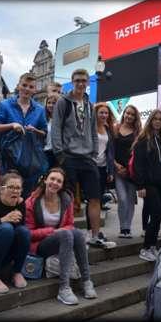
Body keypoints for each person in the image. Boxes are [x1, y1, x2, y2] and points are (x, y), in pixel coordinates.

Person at [51, 69, 115, 249]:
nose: (80, 83)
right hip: (68, 156)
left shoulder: (88, 103)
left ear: (88, 83)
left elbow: (93, 129)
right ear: (72, 81)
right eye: (77, 80)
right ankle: (68, 237)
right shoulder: (63, 102)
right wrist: (60, 154)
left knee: (95, 198)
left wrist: (94, 151)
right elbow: (56, 128)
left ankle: (94, 236)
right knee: (68, 198)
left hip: (88, 158)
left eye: (84, 80)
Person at [25, 167, 97, 305]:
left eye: (59, 181)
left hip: (62, 240)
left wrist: (61, 232)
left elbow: (70, 224)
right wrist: (51, 231)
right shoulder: (32, 201)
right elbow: (28, 233)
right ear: (45, 180)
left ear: (62, 185)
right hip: (39, 245)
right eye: (52, 179)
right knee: (66, 234)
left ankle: (87, 281)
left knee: (76, 233)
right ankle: (64, 288)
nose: (55, 183)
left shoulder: (65, 199)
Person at [0, 72, 48, 198]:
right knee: (8, 195)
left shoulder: (39, 109)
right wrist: (12, 125)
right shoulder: (5, 105)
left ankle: (24, 218)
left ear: (35, 89)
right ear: (18, 86)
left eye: (31, 86)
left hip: (30, 160)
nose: (27, 89)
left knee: (27, 196)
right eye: (24, 85)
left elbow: (44, 132)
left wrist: (35, 130)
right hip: (9, 159)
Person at [133, 109, 161, 262]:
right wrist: (140, 185)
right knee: (156, 214)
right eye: (155, 119)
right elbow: (139, 165)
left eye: (160, 119)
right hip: (149, 184)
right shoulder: (143, 140)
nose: (157, 121)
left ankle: (152, 247)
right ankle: (145, 247)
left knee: (158, 216)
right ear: (150, 120)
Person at [113, 105, 142, 238]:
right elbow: (109, 150)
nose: (129, 116)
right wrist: (116, 165)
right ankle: (122, 226)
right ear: (123, 114)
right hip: (118, 170)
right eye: (127, 113)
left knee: (130, 200)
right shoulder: (115, 128)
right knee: (122, 199)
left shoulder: (138, 132)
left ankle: (127, 228)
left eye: (132, 115)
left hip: (131, 171)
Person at [90, 102, 116, 226]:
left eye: (106, 113)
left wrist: (110, 171)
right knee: (92, 199)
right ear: (96, 113)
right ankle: (91, 230)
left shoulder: (107, 129)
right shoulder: (90, 127)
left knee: (98, 199)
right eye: (101, 112)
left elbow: (110, 152)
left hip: (103, 167)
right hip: (91, 166)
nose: (104, 115)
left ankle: (95, 230)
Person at [43, 93, 59, 169]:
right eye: (49, 103)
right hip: (46, 152)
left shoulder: (63, 120)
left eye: (54, 103)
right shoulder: (43, 119)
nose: (51, 105)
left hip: (59, 153)